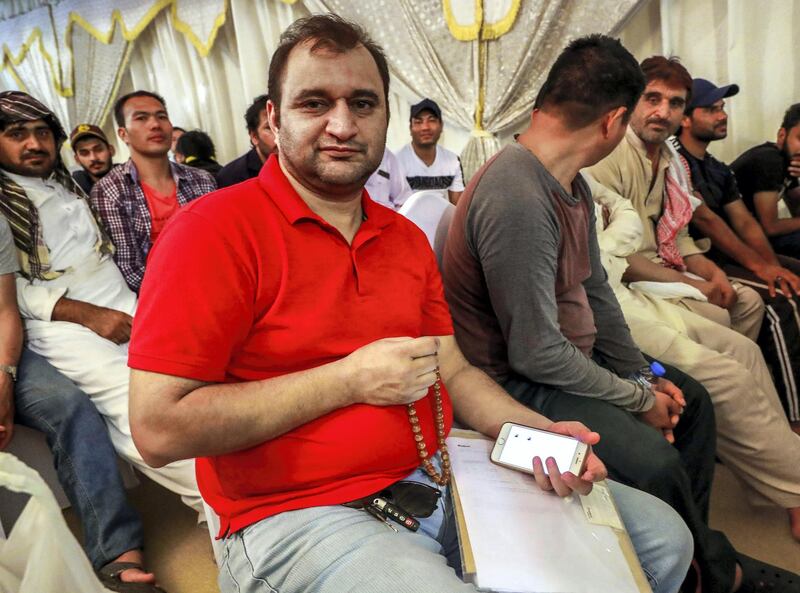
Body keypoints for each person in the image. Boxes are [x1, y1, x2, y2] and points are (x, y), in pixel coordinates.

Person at [128, 16, 693, 593]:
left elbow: (454, 371)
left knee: (663, 539)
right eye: (315, 103)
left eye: (364, 103)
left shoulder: (401, 238)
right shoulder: (211, 232)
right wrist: (347, 380)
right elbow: (158, 428)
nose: (343, 124)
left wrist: (539, 433)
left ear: (385, 117)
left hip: (440, 473)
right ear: (274, 119)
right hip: (297, 514)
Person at [442, 40, 792, 593]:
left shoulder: (571, 182)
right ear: (613, 122)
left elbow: (598, 292)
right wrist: (638, 398)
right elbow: (534, 352)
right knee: (655, 461)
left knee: (693, 402)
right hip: (521, 381)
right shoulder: (516, 195)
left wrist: (638, 377)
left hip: (570, 358)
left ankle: (698, 555)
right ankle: (715, 569)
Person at [0, 90, 201, 517]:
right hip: (62, 320)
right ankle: (211, 497)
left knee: (184, 377)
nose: (34, 144)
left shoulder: (61, 182)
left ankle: (236, 475)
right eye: (17, 134)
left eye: (42, 133)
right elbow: (11, 290)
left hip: (120, 299)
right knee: (133, 403)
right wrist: (88, 316)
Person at [592, 178, 800, 541]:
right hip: (608, 302)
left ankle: (776, 457)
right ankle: (794, 487)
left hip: (626, 288)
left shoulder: (606, 172)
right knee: (729, 376)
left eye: (675, 113)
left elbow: (647, 236)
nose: (664, 116)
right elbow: (615, 249)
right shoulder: (595, 162)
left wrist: (704, 278)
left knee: (744, 349)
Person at [0, 215, 162, 592]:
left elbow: (5, 311)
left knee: (68, 404)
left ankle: (118, 553)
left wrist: (4, 380)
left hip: (6, 351)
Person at [588, 57, 765, 343]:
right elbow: (610, 256)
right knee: (719, 317)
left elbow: (679, 237)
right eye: (652, 99)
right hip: (628, 281)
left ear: (683, 113)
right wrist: (688, 283)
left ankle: (723, 368)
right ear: (632, 100)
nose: (662, 112)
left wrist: (714, 274)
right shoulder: (609, 154)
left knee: (747, 302)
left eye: (675, 103)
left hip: (665, 268)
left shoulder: (673, 161)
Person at [675, 78, 800, 428]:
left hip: (722, 257)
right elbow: (708, 221)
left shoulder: (717, 168)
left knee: (790, 283)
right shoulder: (676, 160)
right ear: (685, 118)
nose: (722, 115)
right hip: (693, 260)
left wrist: (773, 268)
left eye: (723, 108)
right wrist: (763, 269)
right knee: (780, 306)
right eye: (711, 109)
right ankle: (792, 421)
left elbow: (745, 224)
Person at [90, 91, 217, 293]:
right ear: (123, 134)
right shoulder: (110, 191)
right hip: (160, 296)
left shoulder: (202, 180)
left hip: (214, 283)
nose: (155, 124)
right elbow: (130, 269)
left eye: (161, 116)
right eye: (141, 118)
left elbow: (218, 244)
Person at [731, 103, 800, 257]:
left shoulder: (789, 160)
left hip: (756, 236)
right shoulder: (769, 160)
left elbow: (797, 209)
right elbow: (770, 227)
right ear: (782, 135)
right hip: (738, 241)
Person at [396, 98, 464, 204]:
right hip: (405, 219)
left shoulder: (453, 161)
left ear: (441, 126)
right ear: (410, 128)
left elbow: (458, 207)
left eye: (432, 120)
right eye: (418, 122)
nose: (425, 127)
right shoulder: (396, 161)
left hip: (442, 219)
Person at [216, 94, 277, 188]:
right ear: (254, 136)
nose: (280, 133)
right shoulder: (232, 176)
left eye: (285, 125)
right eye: (269, 127)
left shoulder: (300, 165)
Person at [70, 123, 117, 195]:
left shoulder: (132, 177)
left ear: (111, 150)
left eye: (99, 149)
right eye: (84, 153)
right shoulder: (75, 190)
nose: (93, 158)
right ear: (77, 160)